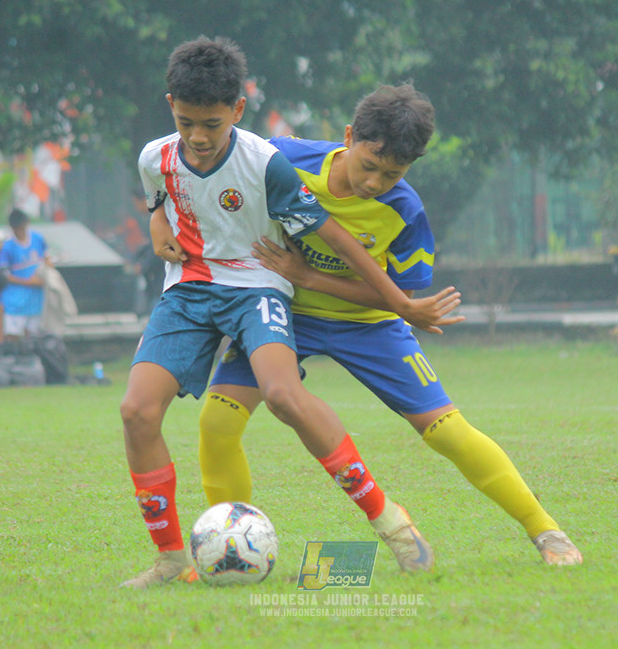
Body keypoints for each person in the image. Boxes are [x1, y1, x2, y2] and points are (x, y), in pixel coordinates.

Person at [120, 36, 461, 589]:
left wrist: (399, 303)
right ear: (170, 107)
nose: (198, 137)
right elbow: (161, 205)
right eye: (186, 123)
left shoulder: (266, 165)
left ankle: (391, 523)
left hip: (257, 287)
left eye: (211, 123)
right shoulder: (153, 157)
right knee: (136, 412)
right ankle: (171, 560)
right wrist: (160, 231)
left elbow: (337, 237)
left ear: (237, 110)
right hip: (187, 291)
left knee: (282, 394)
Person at [196, 84, 583, 566]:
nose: (376, 182)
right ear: (348, 136)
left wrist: (308, 275)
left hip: (369, 324)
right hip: (284, 315)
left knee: (445, 430)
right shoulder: (285, 158)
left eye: (392, 173)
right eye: (369, 165)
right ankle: (227, 548)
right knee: (218, 421)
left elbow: (397, 297)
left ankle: (547, 533)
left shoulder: (405, 211)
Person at [0, 208, 48, 343]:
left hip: (36, 300)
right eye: (16, 229)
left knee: (34, 337)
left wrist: (45, 277)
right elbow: (4, 275)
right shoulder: (8, 247)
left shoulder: (38, 239)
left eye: (21, 227)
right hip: (15, 301)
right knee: (13, 337)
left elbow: (47, 261)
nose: (19, 231)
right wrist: (29, 282)